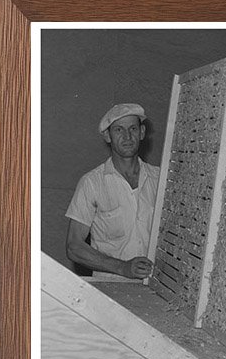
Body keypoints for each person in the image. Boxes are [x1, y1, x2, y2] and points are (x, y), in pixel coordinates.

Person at [64, 102, 160, 280]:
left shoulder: (161, 179)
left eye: (133, 128)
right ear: (107, 136)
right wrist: (122, 268)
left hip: (157, 289)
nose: (127, 136)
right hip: (110, 290)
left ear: (142, 133)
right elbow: (74, 247)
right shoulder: (92, 183)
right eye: (118, 130)